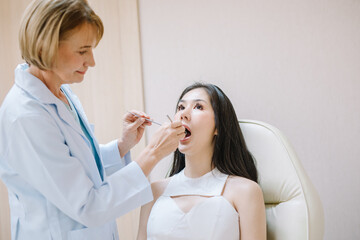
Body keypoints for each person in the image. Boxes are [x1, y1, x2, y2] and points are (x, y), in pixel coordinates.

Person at [0, 0, 185, 239]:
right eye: (82, 51)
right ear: (44, 48)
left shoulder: (59, 91)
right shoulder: (26, 118)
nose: (92, 61)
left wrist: (122, 146)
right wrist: (154, 153)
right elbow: (88, 206)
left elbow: (75, 165)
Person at [137, 83, 266, 240]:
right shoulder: (155, 191)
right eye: (180, 107)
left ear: (218, 126)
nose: (183, 114)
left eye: (198, 107)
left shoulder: (245, 191)